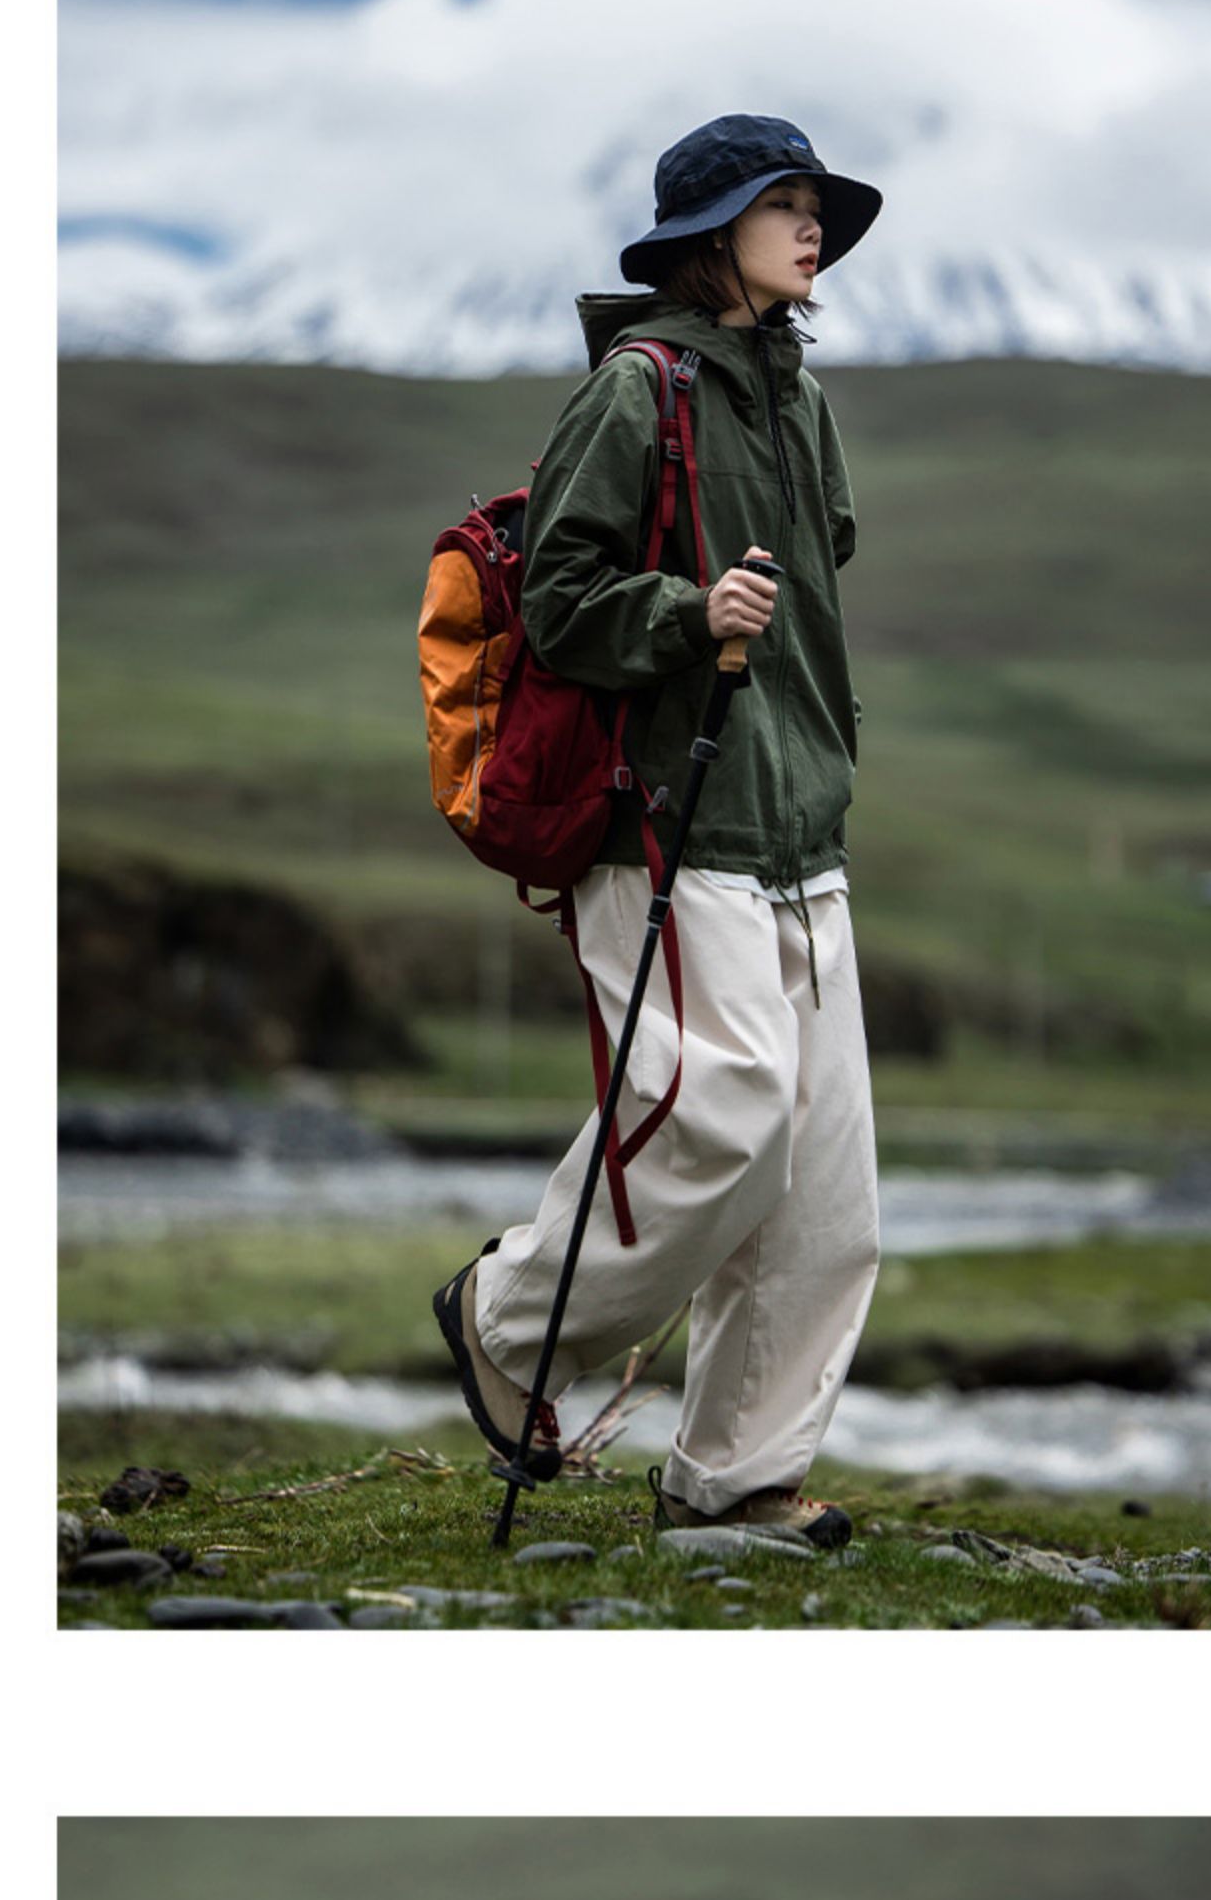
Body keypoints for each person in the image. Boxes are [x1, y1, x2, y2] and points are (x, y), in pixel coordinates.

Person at [433, 114, 882, 1546]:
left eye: (817, 205)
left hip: (801, 828)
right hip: (667, 822)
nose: (812, 226)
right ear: (710, 236)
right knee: (721, 1107)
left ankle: (732, 1479)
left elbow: (819, 572)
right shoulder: (638, 387)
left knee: (829, 1198)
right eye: (783, 203)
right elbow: (561, 603)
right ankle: (508, 1321)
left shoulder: (800, 399)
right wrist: (689, 612)